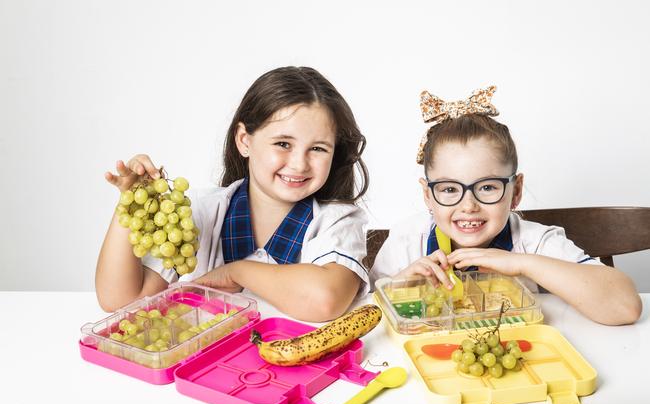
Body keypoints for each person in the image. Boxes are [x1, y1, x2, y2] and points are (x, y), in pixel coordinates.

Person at [96, 66, 370, 321]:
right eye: (283, 143)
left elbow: (324, 299)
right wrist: (131, 203)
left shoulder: (337, 222)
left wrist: (237, 271)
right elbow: (120, 301)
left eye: (318, 148)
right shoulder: (199, 213)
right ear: (244, 140)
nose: (299, 164)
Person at [371, 86, 641, 325]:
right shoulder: (407, 241)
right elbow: (365, 317)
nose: (468, 206)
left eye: (487, 187)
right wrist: (399, 284)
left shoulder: (535, 243)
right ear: (428, 195)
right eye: (450, 189)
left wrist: (523, 264)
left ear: (516, 191)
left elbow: (625, 306)